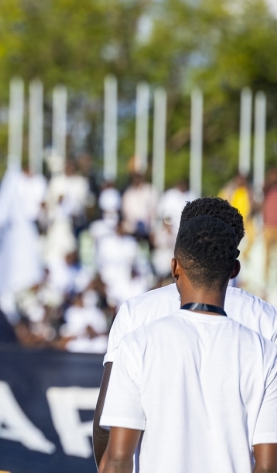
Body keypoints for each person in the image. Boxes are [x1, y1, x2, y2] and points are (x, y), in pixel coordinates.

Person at [92, 196, 277, 462]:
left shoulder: (136, 315)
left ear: (177, 259)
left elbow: (105, 429)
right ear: (234, 264)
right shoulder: (267, 321)